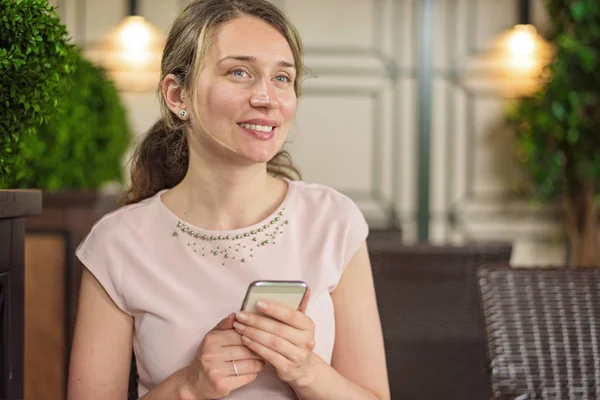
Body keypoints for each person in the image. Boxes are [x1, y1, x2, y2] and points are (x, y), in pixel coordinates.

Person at [67, 0, 390, 399]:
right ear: (177, 95)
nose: (267, 98)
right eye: (240, 72)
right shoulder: (117, 243)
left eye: (283, 78)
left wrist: (306, 371)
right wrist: (190, 385)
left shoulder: (333, 221)